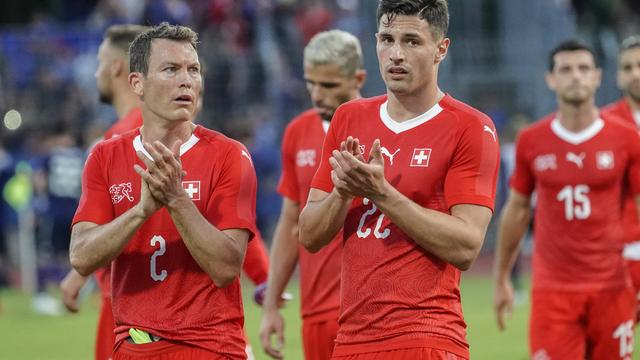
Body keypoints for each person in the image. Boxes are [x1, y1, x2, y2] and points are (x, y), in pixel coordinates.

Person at [299, 1, 500, 359]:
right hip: (352, 341)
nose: (395, 54)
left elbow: (467, 245)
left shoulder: (470, 127)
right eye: (387, 39)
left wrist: (382, 194)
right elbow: (311, 236)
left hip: (428, 336)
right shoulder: (348, 117)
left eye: (411, 41)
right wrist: (342, 194)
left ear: (441, 49)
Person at [69, 23, 257, 359]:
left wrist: (175, 199)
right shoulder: (105, 156)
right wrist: (141, 211)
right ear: (136, 83)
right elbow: (81, 256)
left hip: (210, 347)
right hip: (134, 347)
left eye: (193, 69)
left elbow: (227, 268)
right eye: (171, 69)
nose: (186, 80)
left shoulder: (230, 155)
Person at [494, 39, 639, 360]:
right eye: (566, 69)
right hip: (553, 291)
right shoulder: (532, 140)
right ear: (551, 79)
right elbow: (517, 210)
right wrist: (502, 275)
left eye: (584, 68)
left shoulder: (626, 138)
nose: (576, 76)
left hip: (612, 287)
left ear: (598, 76)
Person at [259, 29, 366, 360]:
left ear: (358, 78)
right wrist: (272, 303)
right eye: (311, 84)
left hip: (372, 311)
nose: (318, 94)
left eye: (329, 86)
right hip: (317, 309)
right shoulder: (298, 132)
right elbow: (291, 221)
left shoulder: (382, 126)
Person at [60, 24, 148, 360]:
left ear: (115, 68)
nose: (96, 72)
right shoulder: (127, 132)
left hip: (131, 303)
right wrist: (79, 273)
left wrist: (80, 271)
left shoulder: (124, 139)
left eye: (99, 62)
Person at [602, 35, 640, 321]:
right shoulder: (603, 126)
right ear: (618, 75)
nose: (635, 74)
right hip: (619, 255)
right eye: (627, 68)